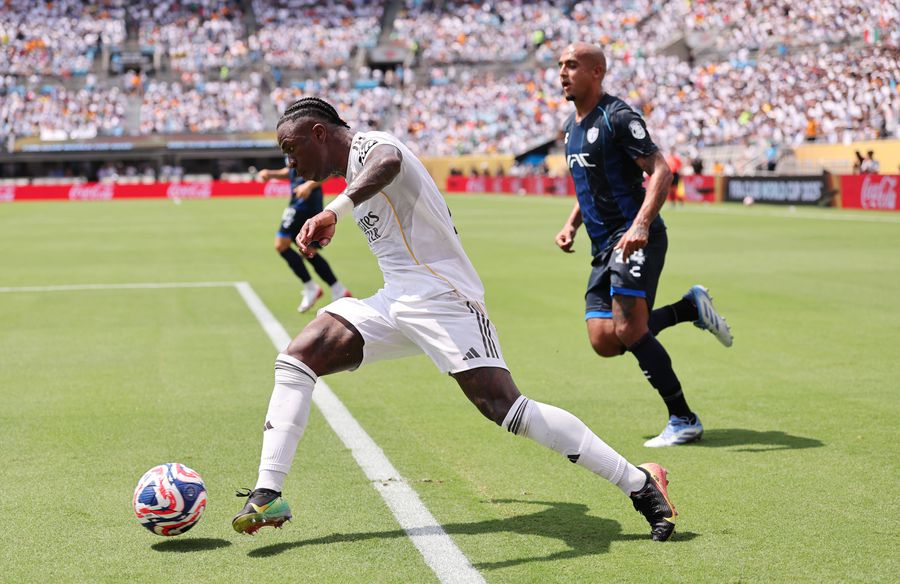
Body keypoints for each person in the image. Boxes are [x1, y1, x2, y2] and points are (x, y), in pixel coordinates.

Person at [232, 97, 679, 542]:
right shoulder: (351, 169)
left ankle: (638, 483)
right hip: (396, 300)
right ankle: (269, 491)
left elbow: (388, 161)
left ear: (318, 133)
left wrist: (334, 211)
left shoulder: (372, 145)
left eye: (290, 149)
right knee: (297, 358)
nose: (288, 162)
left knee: (506, 410)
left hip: (445, 297)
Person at [554, 43, 733, 448]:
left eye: (572, 65)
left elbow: (661, 170)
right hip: (603, 246)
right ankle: (689, 308)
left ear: (597, 71)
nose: (562, 73)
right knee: (604, 340)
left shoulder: (617, 117)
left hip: (635, 239)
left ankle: (683, 418)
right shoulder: (571, 127)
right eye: (560, 66)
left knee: (628, 327)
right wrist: (571, 224)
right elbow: (590, 186)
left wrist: (641, 225)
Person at [257, 163, 351, 312]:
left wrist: (308, 186)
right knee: (308, 249)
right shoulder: (290, 144)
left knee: (282, 245)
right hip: (298, 201)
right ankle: (338, 289)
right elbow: (291, 171)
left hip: (306, 203)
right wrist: (271, 173)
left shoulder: (306, 141)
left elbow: (329, 171)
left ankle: (311, 287)